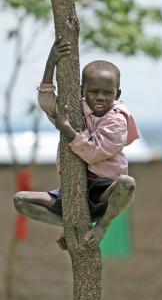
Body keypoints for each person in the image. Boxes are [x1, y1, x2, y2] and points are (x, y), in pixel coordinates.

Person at [14, 38, 139, 249]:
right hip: (72, 192)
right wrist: (51, 63)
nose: (100, 97)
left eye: (107, 93)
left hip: (104, 192)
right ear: (82, 90)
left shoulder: (118, 120)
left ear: (117, 94)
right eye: (93, 91)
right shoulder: (77, 109)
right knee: (21, 200)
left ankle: (102, 225)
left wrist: (67, 130)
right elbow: (47, 103)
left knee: (127, 183)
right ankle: (73, 225)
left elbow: (95, 153)